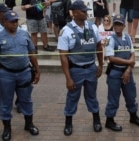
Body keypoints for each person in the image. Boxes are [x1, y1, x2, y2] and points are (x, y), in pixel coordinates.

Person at [0, 10, 40, 141]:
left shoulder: (24, 34)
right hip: (6, 75)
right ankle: (7, 128)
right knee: (5, 103)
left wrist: (37, 70)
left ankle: (29, 124)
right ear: (4, 22)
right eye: (11, 22)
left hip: (24, 72)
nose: (15, 24)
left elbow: (32, 53)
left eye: (16, 21)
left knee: (26, 100)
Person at [57, 0, 103, 136]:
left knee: (92, 96)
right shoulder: (66, 31)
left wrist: (100, 65)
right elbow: (63, 56)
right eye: (83, 11)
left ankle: (96, 120)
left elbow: (99, 46)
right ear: (75, 13)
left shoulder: (93, 27)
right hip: (75, 70)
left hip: (90, 68)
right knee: (72, 97)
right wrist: (68, 78)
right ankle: (68, 123)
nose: (86, 13)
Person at [104, 14, 139, 132]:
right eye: (115, 24)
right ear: (113, 25)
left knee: (131, 96)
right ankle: (109, 120)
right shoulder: (110, 39)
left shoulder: (127, 37)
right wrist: (129, 63)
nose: (117, 27)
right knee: (113, 98)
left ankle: (133, 117)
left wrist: (128, 69)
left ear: (124, 26)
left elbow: (132, 53)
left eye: (120, 24)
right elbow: (111, 58)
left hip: (127, 72)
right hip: (115, 72)